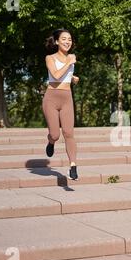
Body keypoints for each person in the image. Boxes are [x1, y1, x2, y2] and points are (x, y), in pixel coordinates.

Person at [43, 28, 79, 180]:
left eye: (69, 39)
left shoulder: (71, 57)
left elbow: (64, 76)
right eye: (64, 39)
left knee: (69, 133)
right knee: (56, 135)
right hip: (51, 98)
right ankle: (51, 141)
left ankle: (73, 166)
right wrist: (69, 63)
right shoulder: (50, 58)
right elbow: (56, 76)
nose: (67, 42)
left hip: (67, 98)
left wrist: (73, 78)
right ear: (57, 41)